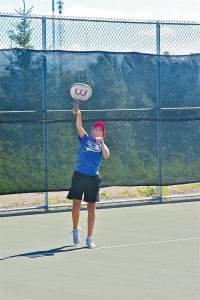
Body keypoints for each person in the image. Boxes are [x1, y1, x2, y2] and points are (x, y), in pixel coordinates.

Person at [67, 108, 110, 249]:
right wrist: (78, 114)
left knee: (91, 207)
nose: (97, 131)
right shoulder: (85, 139)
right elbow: (79, 126)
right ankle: (75, 229)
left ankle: (89, 238)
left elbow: (106, 155)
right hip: (79, 175)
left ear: (103, 134)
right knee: (76, 205)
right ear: (92, 131)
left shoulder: (102, 145)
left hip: (93, 178)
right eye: (96, 129)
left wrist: (102, 143)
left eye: (100, 130)